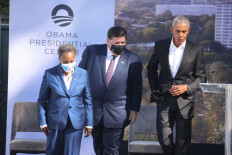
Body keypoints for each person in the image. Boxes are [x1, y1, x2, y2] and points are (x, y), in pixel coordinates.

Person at [79, 26, 142, 155]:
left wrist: (134, 109)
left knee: (111, 149)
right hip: (94, 111)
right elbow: (79, 77)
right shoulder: (92, 51)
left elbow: (136, 87)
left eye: (123, 43)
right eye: (117, 43)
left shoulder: (133, 59)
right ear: (108, 41)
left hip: (118, 112)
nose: (120, 46)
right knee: (99, 148)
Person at [147, 16, 206, 155]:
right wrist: (155, 89)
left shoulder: (196, 49)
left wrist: (187, 87)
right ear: (171, 30)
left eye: (184, 31)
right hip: (164, 99)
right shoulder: (160, 46)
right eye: (178, 31)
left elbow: (201, 77)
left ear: (189, 31)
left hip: (185, 101)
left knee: (182, 142)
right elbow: (151, 69)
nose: (181, 35)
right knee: (164, 139)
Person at [37, 44, 93, 155]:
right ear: (59, 59)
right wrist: (43, 123)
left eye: (71, 61)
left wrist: (89, 123)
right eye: (66, 62)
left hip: (75, 122)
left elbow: (88, 100)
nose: (69, 64)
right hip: (55, 122)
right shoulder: (50, 74)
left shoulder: (83, 74)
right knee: (53, 152)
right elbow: (42, 101)